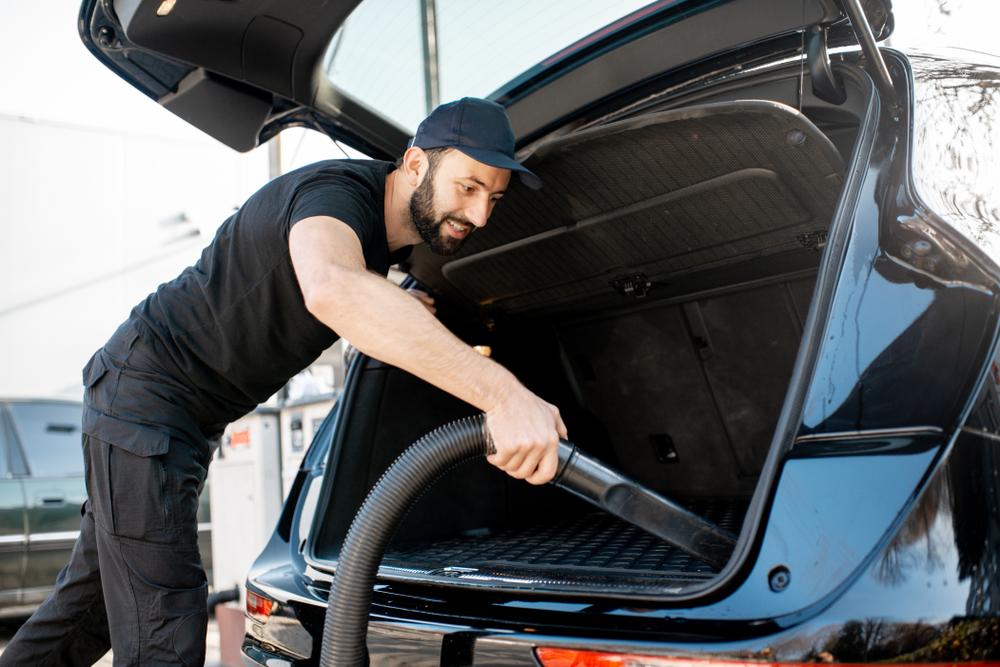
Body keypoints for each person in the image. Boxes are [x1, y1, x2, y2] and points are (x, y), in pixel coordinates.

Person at [1, 97, 567, 665]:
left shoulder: (386, 244)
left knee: (90, 609)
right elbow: (331, 287)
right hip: (148, 396)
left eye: (493, 197)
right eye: (468, 187)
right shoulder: (336, 196)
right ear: (416, 164)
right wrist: (503, 395)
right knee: (164, 628)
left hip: (171, 412)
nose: (481, 215)